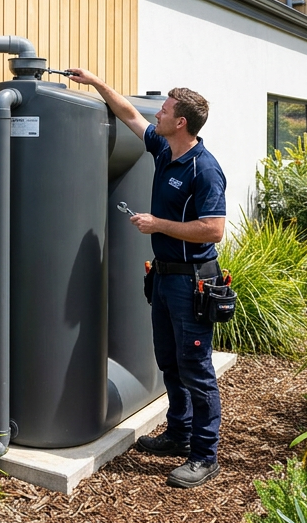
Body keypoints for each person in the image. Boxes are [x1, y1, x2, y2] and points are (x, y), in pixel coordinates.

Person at [66, 68, 227, 489]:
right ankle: (179, 431)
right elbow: (128, 115)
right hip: (165, 278)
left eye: (166, 110)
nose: (157, 112)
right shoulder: (163, 148)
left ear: (181, 123)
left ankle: (204, 454)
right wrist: (97, 82)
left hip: (193, 281)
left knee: (196, 368)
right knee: (169, 361)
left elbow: (213, 229)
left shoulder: (204, 169)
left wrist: (159, 224)